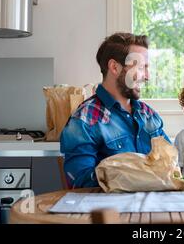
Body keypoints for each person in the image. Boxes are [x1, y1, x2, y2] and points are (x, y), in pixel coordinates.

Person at [60, 32, 171, 188]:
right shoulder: (85, 120)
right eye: (140, 67)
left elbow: (169, 166)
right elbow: (80, 183)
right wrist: (133, 177)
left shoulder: (148, 115)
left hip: (152, 207)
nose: (147, 76)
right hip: (111, 210)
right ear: (114, 67)